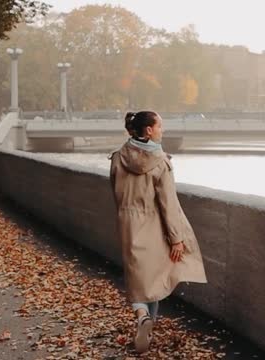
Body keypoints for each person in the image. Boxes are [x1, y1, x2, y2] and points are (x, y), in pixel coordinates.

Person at [108, 110, 207, 353]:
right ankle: (147, 320)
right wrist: (176, 238)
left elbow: (115, 190)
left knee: (137, 276)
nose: (163, 131)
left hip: (128, 222)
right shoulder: (161, 163)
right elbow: (168, 203)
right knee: (154, 276)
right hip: (153, 224)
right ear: (149, 130)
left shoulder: (118, 158)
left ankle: (143, 319)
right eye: (160, 126)